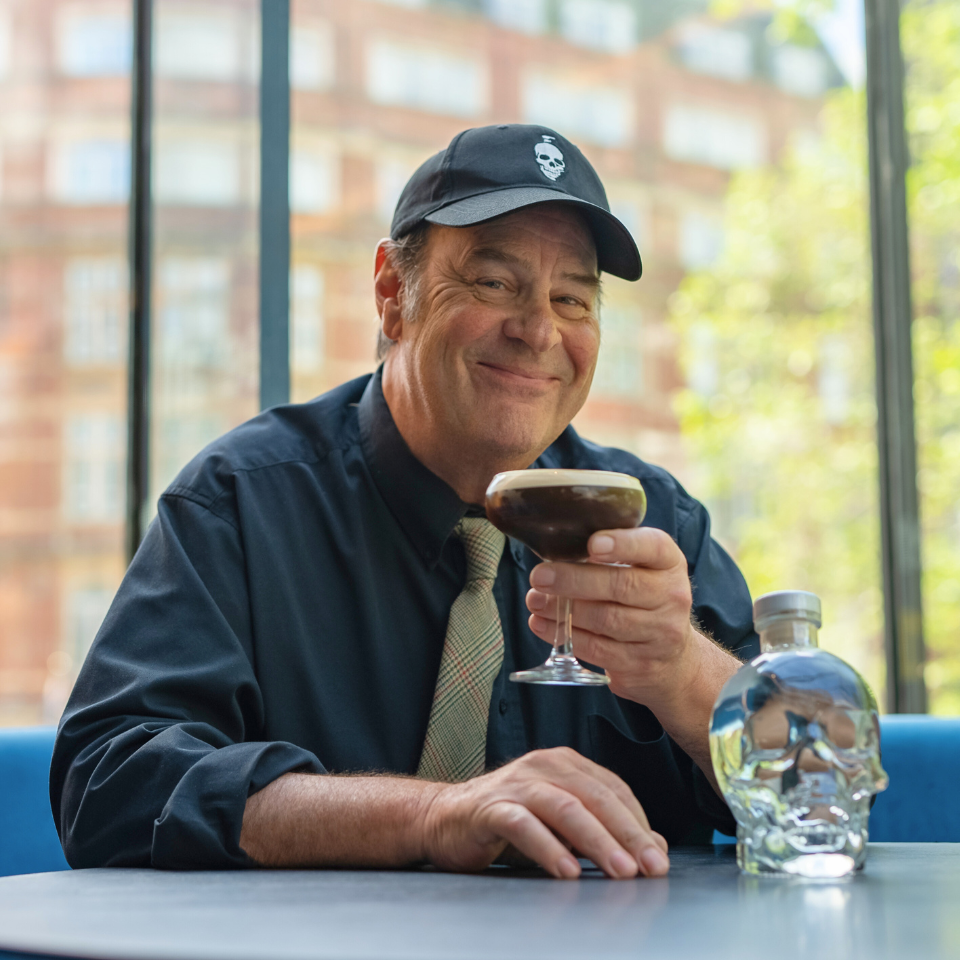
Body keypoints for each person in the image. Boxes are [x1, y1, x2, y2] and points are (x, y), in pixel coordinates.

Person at [51, 124, 758, 880]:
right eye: (495, 283)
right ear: (394, 293)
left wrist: (682, 669)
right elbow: (109, 783)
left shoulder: (649, 521)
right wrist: (429, 814)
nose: (539, 330)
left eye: (572, 298)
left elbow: (825, 788)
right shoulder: (241, 504)